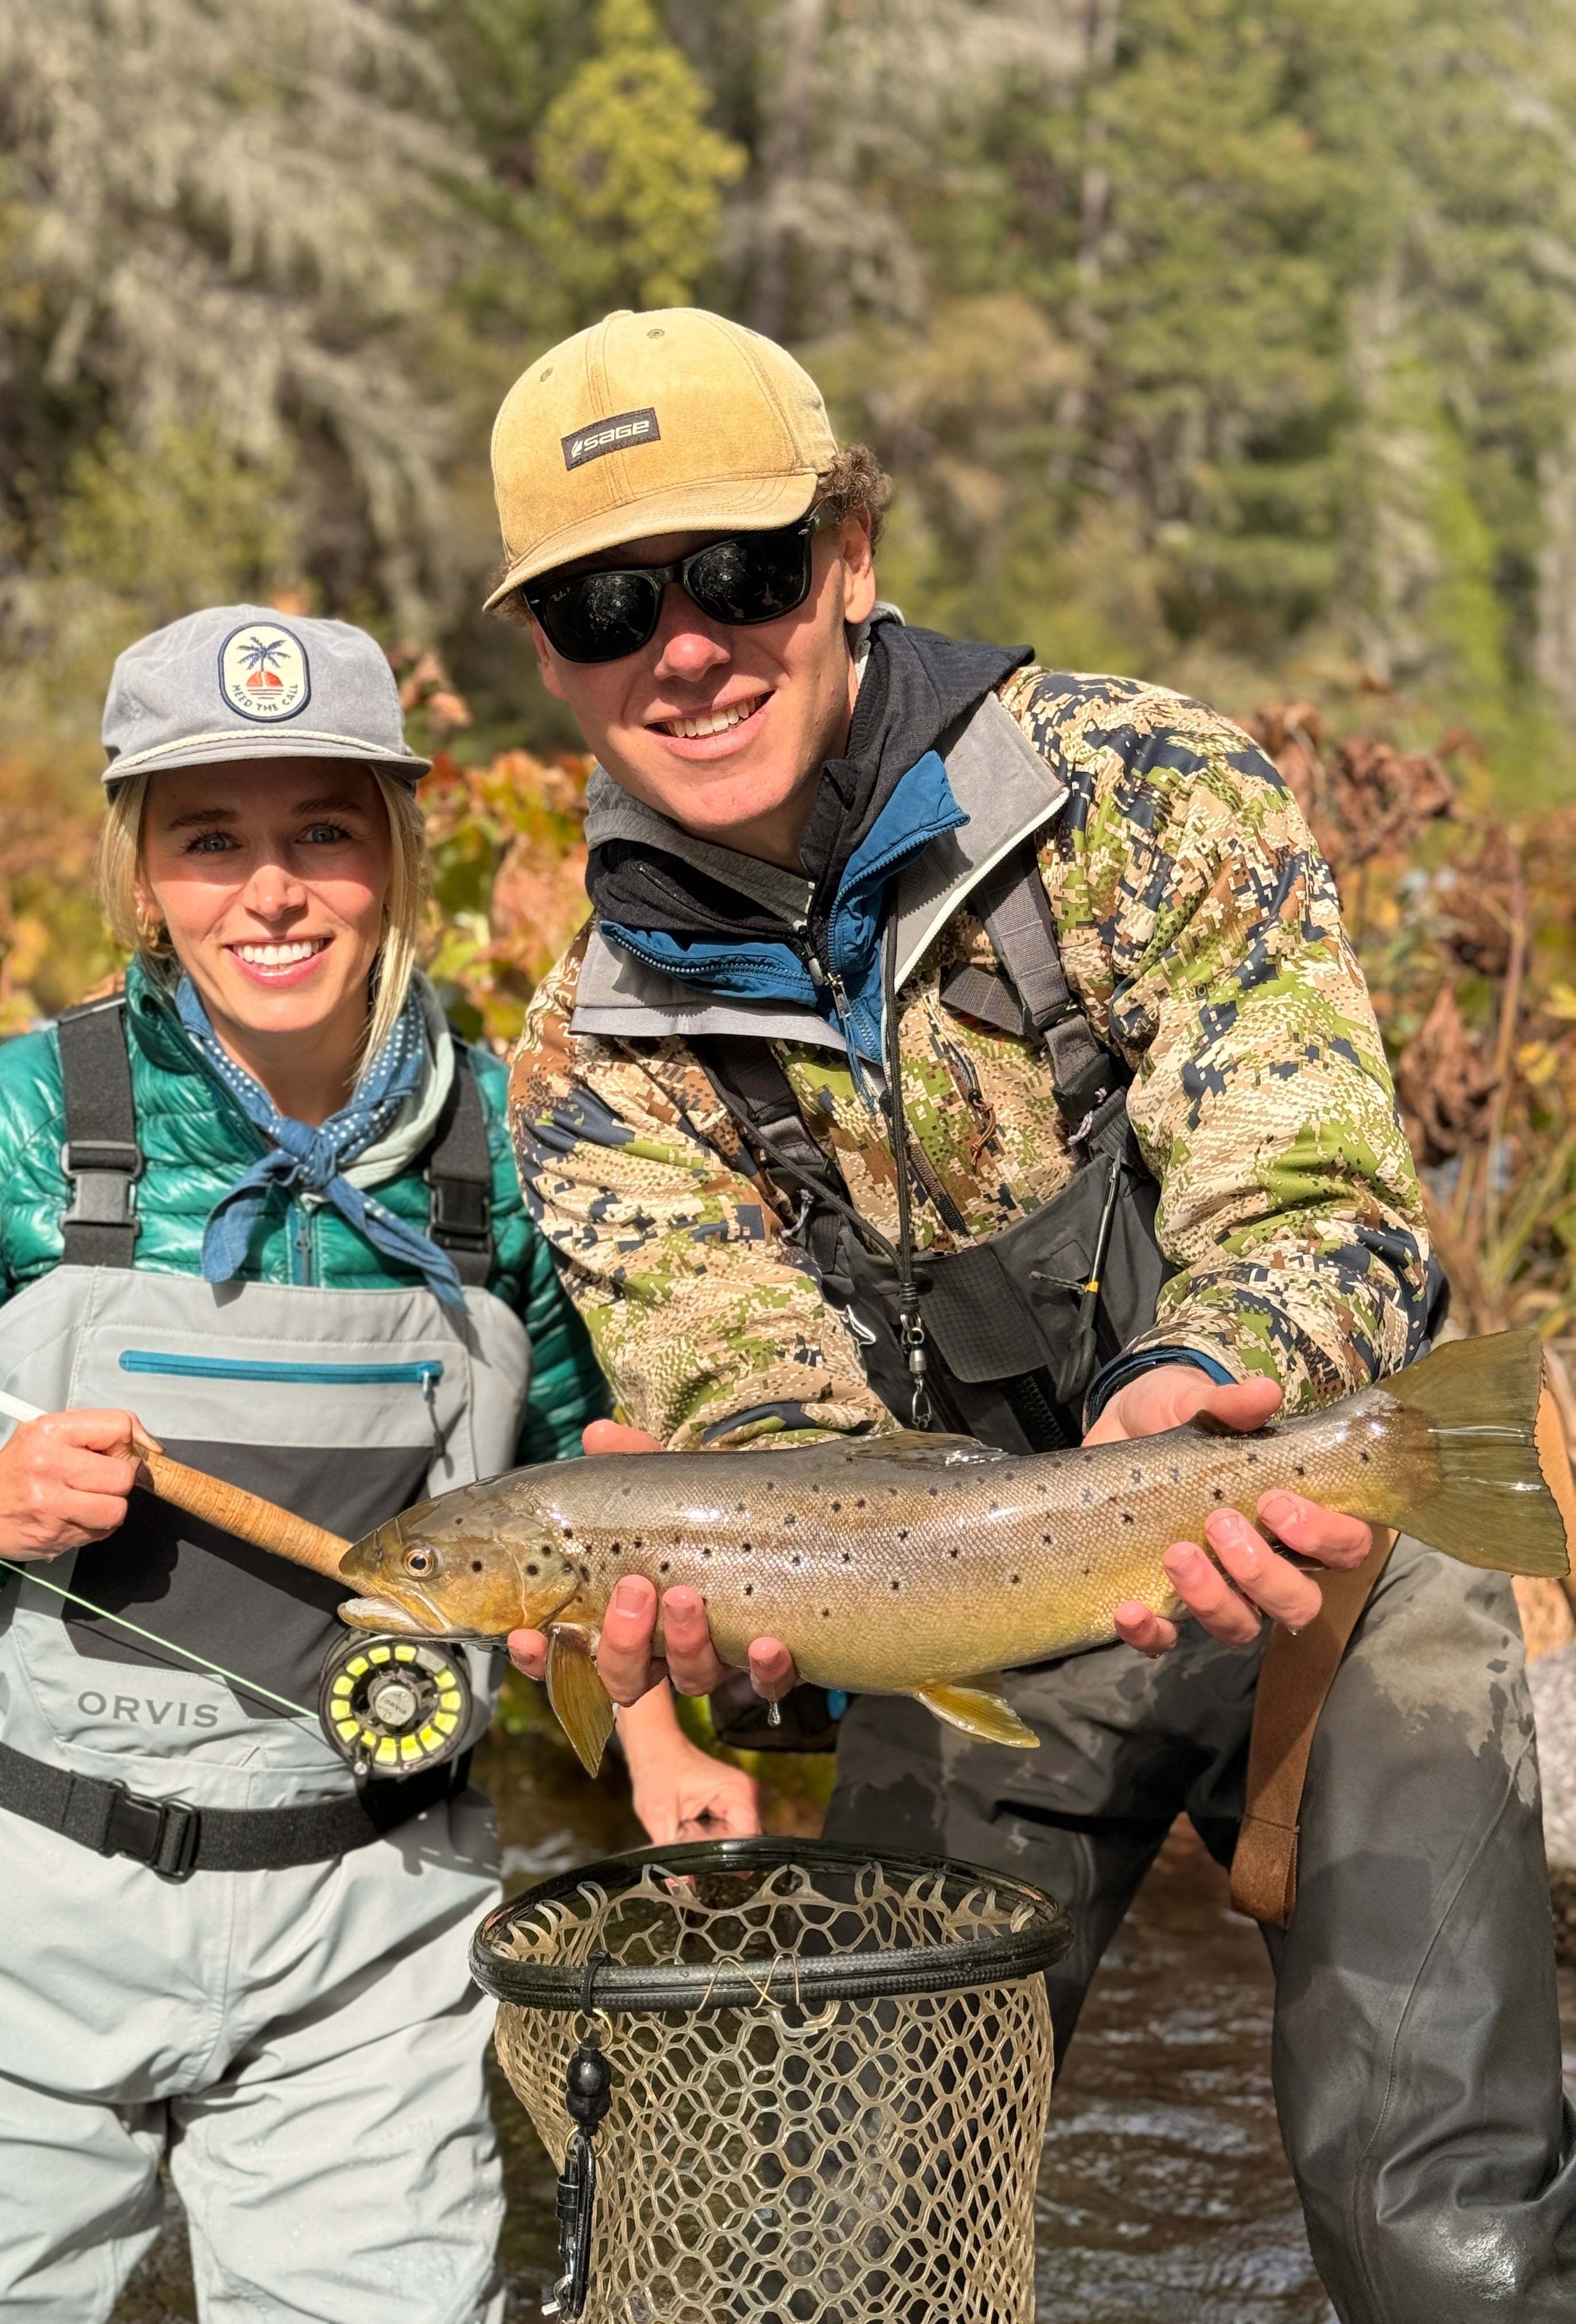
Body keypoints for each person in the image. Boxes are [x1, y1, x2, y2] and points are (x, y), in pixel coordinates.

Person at [495, 308, 1576, 2320]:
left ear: (849, 559)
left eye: (739, 572)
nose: (686, 648)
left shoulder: (1136, 788)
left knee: (1438, 2212)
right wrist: (727, 1620)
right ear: (550, 657)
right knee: (843, 2239)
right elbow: (754, 1415)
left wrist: (1206, 1378)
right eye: (605, 605)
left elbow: (1312, 1185)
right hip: (959, 1602)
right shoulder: (592, 1056)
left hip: (1316, 1525)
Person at [0, 604, 725, 2323]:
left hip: (378, 1942)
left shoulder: (511, 1155)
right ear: (141, 874)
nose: (272, 894)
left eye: (323, 832)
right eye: (209, 841)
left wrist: (658, 1739)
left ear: (394, 854)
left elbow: (578, 1502)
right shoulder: (4, 1135)